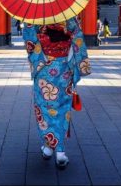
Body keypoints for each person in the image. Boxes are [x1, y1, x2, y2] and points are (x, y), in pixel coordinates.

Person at [22, 16, 90, 169]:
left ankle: (50, 147)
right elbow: (77, 39)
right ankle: (58, 150)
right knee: (61, 108)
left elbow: (30, 43)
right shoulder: (68, 15)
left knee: (44, 108)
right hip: (64, 68)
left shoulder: (33, 16)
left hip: (44, 68)